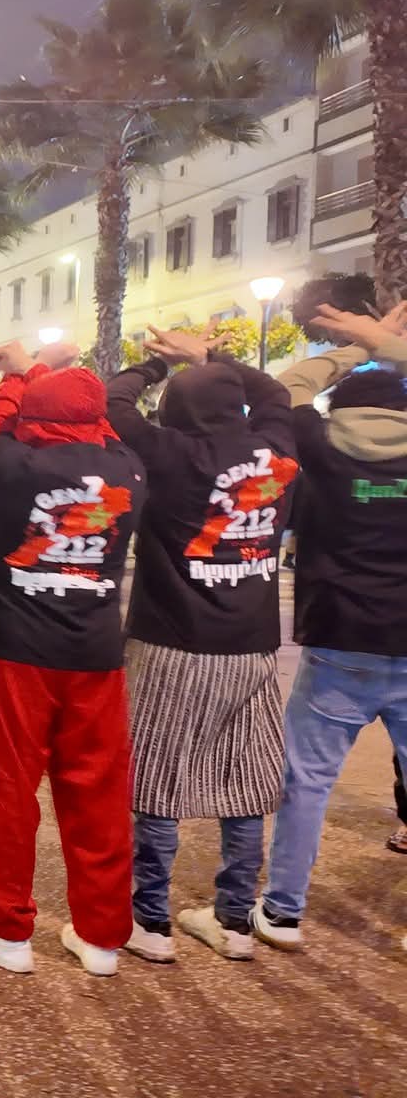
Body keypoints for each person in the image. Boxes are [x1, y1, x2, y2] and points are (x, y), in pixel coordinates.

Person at [105, 322, 297, 963]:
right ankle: (235, 920)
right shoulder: (275, 450)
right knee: (246, 781)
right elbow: (275, 395)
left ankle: (150, 921)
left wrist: (156, 366)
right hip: (253, 645)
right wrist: (211, 355)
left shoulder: (169, 454)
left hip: (171, 640)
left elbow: (113, 404)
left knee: (157, 781)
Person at [0, 339, 143, 977]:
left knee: (8, 790)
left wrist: (20, 373)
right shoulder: (128, 468)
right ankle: (102, 937)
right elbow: (102, 422)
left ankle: (8, 930)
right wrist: (45, 374)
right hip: (96, 652)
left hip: (17, 650)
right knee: (100, 793)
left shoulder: (13, 463)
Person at [252, 301, 407, 948]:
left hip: (338, 639)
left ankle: (283, 911)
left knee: (307, 782)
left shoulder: (320, 444)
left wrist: (354, 347)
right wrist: (386, 343)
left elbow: (284, 388)